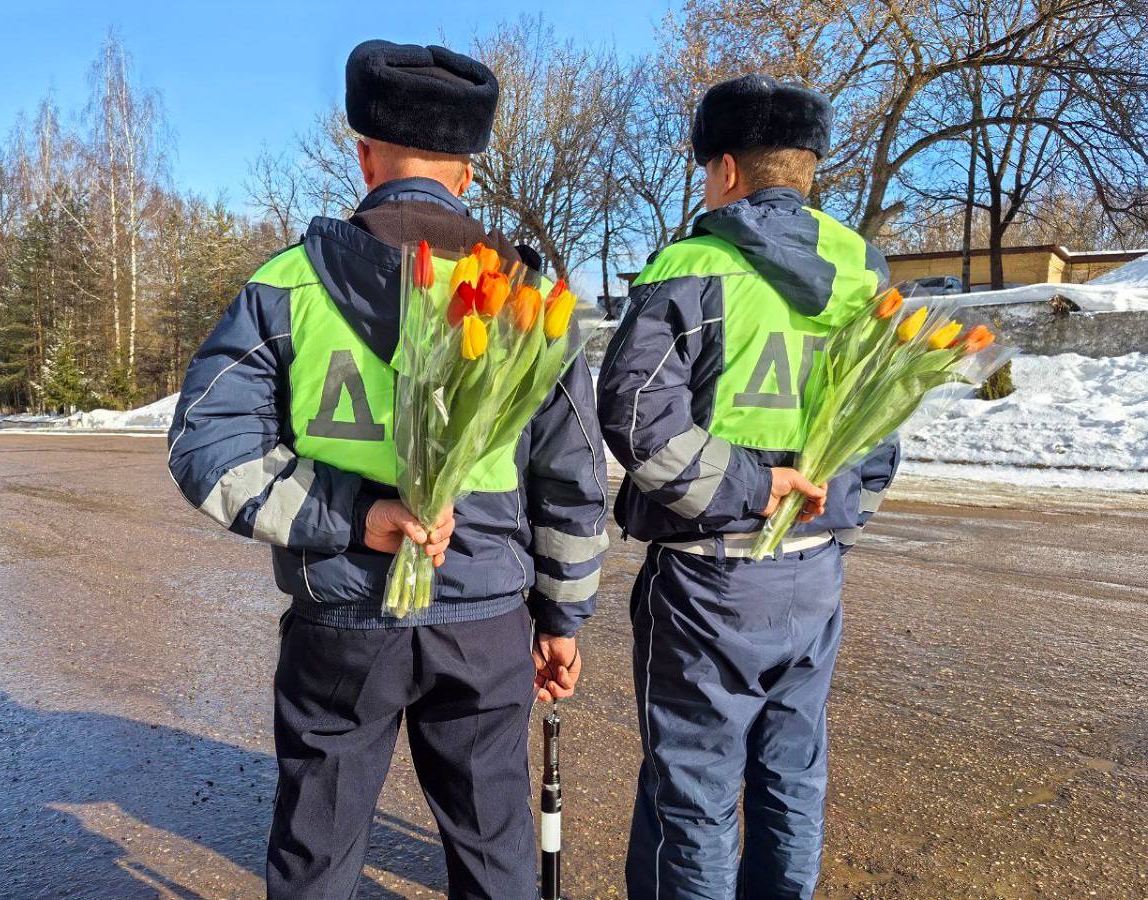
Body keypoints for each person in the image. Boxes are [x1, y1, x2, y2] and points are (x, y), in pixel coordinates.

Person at [167, 40, 608, 900]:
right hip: (484, 622)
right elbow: (574, 482)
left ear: (364, 156)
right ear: (468, 174)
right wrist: (562, 618)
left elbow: (205, 445)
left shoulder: (286, 287)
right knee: (495, 852)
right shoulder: (530, 303)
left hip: (339, 619)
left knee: (317, 855)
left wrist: (350, 514)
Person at [597, 73, 899, 900]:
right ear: (806, 166)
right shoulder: (862, 274)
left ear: (726, 169)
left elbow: (634, 416)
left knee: (692, 792)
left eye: (706, 170)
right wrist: (832, 520)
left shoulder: (693, 265)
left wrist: (755, 488)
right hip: (815, 574)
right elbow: (883, 429)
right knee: (792, 777)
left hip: (709, 578)